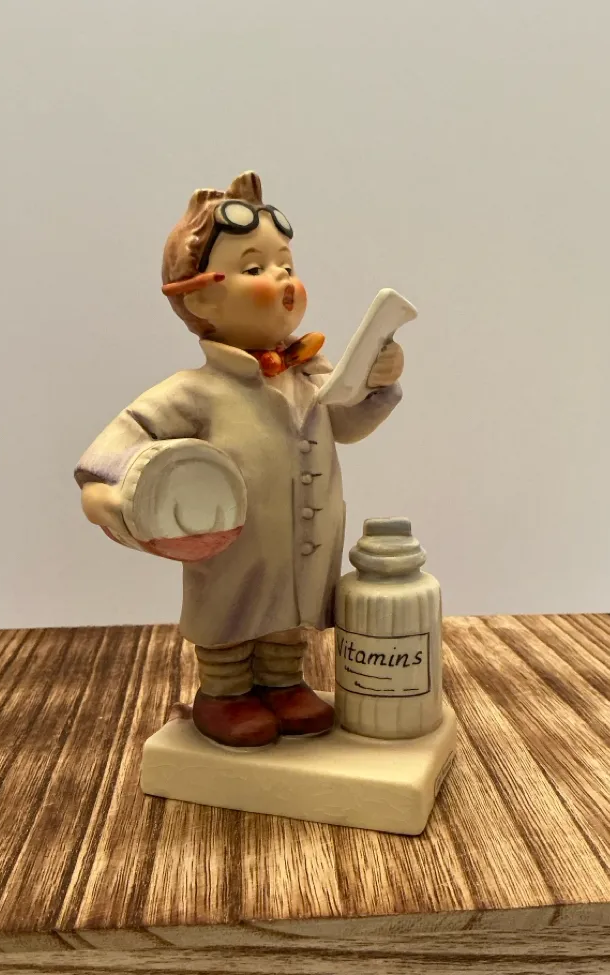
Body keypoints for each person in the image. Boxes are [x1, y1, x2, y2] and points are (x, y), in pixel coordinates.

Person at [76, 171, 403, 747]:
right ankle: (224, 693)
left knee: (289, 616)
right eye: (254, 268)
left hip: (302, 543)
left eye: (286, 265)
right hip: (232, 547)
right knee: (232, 614)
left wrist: (377, 382)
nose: (281, 279)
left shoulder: (312, 375)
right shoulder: (195, 392)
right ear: (200, 296)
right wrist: (111, 499)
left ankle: (284, 684)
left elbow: (348, 425)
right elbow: (112, 452)